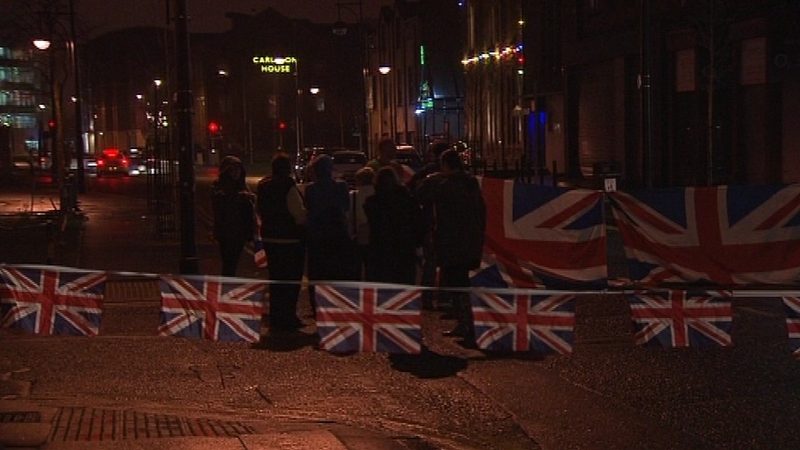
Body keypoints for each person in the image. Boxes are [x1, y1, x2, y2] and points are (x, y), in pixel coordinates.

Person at [418, 149, 486, 347]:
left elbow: (421, 193)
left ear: (445, 165)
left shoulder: (444, 185)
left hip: (451, 242)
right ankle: (465, 323)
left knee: (456, 284)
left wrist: (430, 177)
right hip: (469, 241)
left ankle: (466, 325)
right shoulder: (471, 184)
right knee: (461, 282)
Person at [256, 153, 307, 332]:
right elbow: (299, 214)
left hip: (270, 238)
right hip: (290, 239)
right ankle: (288, 317)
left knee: (276, 279)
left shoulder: (263, 186)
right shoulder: (288, 187)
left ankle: (276, 316)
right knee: (290, 281)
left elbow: (259, 210)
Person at [304, 154, 357, 310]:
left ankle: (316, 307)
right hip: (338, 234)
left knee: (317, 273)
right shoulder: (341, 187)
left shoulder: (311, 189)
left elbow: (309, 208)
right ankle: (336, 306)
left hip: (318, 236)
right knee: (337, 272)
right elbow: (346, 207)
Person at [363, 166, 424, 285]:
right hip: (404, 249)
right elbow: (418, 223)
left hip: (380, 249)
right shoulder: (408, 201)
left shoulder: (372, 202)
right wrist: (417, 242)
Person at [408, 141, 450, 310]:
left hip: (431, 223)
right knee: (446, 262)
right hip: (445, 224)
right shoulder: (449, 174)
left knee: (431, 262)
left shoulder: (427, 174)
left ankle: (427, 298)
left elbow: (411, 188)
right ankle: (444, 299)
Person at [211, 155, 255, 277]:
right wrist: (237, 198)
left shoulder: (242, 185)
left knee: (232, 263)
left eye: (238, 169)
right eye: (233, 169)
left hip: (240, 230)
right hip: (227, 230)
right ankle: (227, 284)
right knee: (229, 263)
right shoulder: (220, 186)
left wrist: (250, 198)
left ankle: (228, 282)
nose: (236, 172)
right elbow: (219, 204)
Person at [347, 166, 375, 280]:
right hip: (374, 238)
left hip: (356, 237)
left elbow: (348, 217)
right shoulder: (378, 194)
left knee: (355, 271)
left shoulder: (352, 196)